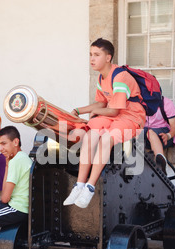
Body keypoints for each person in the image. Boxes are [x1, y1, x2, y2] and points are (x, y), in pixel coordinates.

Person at [63, 38, 146, 209]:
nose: (92, 59)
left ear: (108, 58)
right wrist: (79, 110)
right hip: (114, 115)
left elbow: (114, 110)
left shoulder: (120, 77)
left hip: (131, 117)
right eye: (90, 55)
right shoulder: (102, 78)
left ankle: (90, 187)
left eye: (96, 55)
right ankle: (79, 185)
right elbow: (101, 104)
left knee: (106, 138)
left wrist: (95, 113)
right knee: (90, 133)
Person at [144, 96, 175, 174]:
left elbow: (174, 129)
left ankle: (161, 166)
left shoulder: (166, 103)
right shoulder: (141, 103)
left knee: (151, 133)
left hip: (164, 134)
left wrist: (168, 136)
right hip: (146, 134)